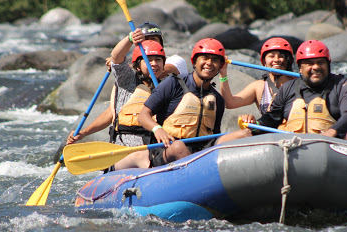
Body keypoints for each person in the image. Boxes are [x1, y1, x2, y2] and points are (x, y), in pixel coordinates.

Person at [138, 38, 252, 167]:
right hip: (169, 149)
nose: (209, 63)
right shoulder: (173, 83)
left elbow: (215, 135)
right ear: (194, 62)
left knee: (244, 134)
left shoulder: (217, 99)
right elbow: (143, 116)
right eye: (205, 58)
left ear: (220, 66)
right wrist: (157, 130)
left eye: (215, 60)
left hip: (202, 150)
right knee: (179, 147)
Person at [66, 39, 166, 169]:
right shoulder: (127, 80)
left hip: (154, 150)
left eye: (158, 60)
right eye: (148, 60)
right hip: (124, 152)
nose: (153, 64)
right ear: (137, 65)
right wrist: (130, 38)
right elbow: (116, 58)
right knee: (142, 155)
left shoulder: (167, 86)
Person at [240, 40, 347, 142]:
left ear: (328, 64)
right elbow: (271, 119)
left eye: (321, 62)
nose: (316, 67)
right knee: (241, 135)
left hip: (331, 146)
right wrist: (256, 125)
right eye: (309, 63)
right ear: (300, 68)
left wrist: (330, 133)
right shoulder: (288, 88)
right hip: (294, 146)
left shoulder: (342, 85)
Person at [219, 37, 296, 114]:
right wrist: (223, 73)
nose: (276, 60)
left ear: (288, 61)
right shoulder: (259, 87)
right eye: (271, 56)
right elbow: (229, 103)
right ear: (264, 62)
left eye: (281, 56)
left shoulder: (299, 85)